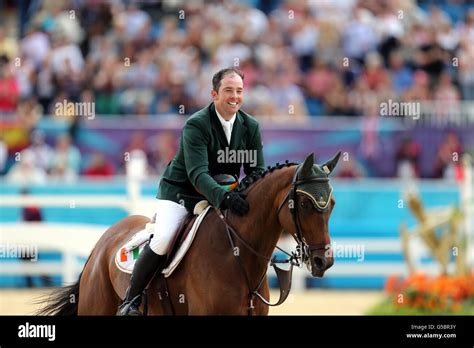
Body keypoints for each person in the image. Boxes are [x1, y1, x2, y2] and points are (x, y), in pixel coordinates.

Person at [118, 67, 265, 315]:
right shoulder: (197, 124)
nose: (234, 96)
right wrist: (225, 197)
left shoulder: (250, 126)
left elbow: (257, 171)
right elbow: (198, 174)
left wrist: (244, 195)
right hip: (182, 193)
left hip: (224, 194)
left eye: (239, 91)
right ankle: (131, 300)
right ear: (214, 94)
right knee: (164, 238)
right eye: (228, 90)